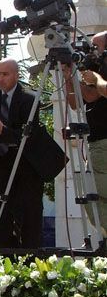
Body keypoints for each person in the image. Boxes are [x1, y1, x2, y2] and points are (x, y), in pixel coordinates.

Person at [0, 58, 43, 249]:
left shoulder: (29, 99)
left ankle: (32, 256)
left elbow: (28, 135)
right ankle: (4, 254)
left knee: (29, 211)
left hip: (26, 161)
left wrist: (3, 131)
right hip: (2, 159)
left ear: (16, 75)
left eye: (5, 74)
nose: (0, 79)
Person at [65, 31, 107, 235]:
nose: (92, 51)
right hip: (95, 143)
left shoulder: (102, 71)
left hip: (104, 144)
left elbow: (95, 94)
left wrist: (95, 78)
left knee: (94, 191)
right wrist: (68, 76)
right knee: (89, 195)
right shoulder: (94, 69)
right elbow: (76, 102)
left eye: (95, 47)